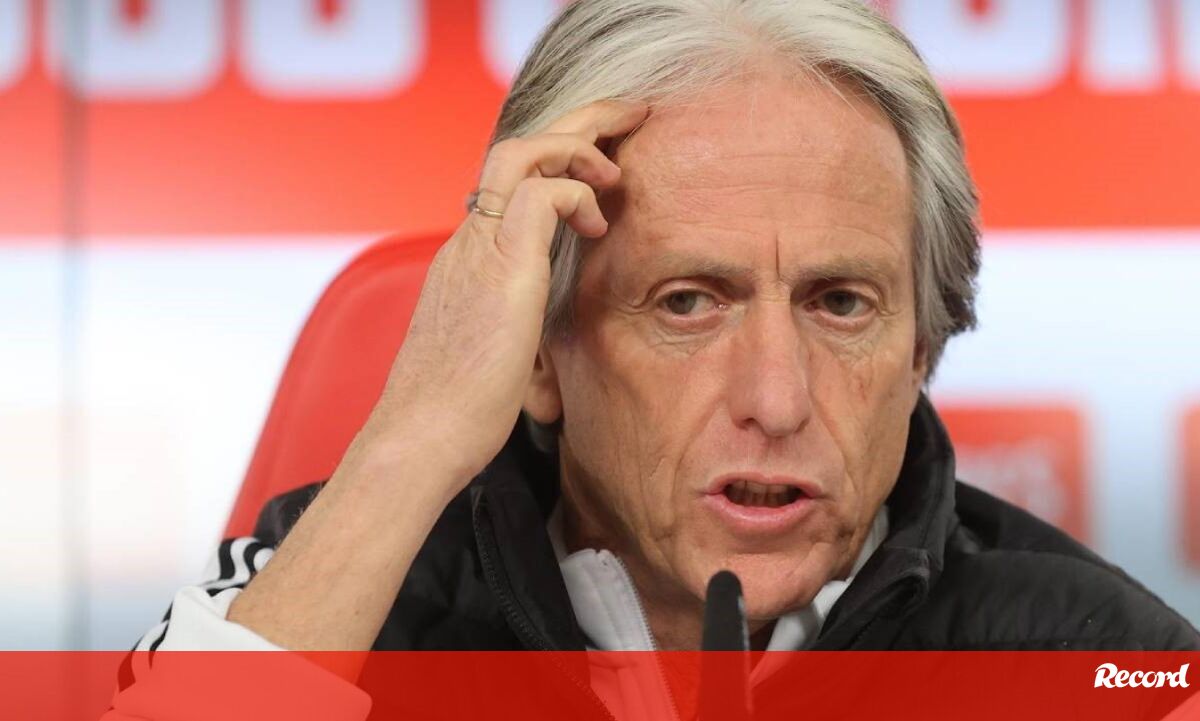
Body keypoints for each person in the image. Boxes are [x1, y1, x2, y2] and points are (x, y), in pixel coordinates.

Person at [108, 0, 1200, 718]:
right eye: (687, 302)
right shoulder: (335, 595)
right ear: (541, 352)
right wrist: (414, 440)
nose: (776, 398)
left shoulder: (1100, 664)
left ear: (921, 346)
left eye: (840, 303)